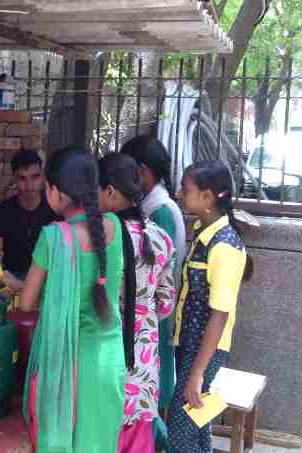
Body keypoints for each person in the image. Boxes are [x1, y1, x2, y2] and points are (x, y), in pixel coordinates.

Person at [20, 146, 125, 453]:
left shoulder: (53, 238)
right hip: (109, 361)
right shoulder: (116, 227)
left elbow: (26, 302)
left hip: (69, 366)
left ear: (54, 191)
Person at [168, 161, 251, 453]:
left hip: (205, 352)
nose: (180, 194)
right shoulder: (203, 232)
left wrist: (197, 373)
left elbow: (220, 313)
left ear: (207, 197)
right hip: (190, 345)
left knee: (179, 434)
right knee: (197, 426)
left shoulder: (224, 245)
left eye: (186, 190)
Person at [98, 154, 177, 453]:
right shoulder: (161, 239)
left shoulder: (96, 238)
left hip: (102, 359)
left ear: (109, 192)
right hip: (142, 366)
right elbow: (166, 305)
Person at [121, 134, 186, 415]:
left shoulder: (160, 212)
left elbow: (157, 273)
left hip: (152, 312)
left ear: (143, 172)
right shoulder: (153, 206)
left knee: (150, 392)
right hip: (150, 311)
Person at [0, 149, 59, 289]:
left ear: (43, 176)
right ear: (14, 178)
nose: (29, 185)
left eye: (35, 177)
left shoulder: (56, 210)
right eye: (22, 178)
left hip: (49, 281)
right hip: (11, 278)